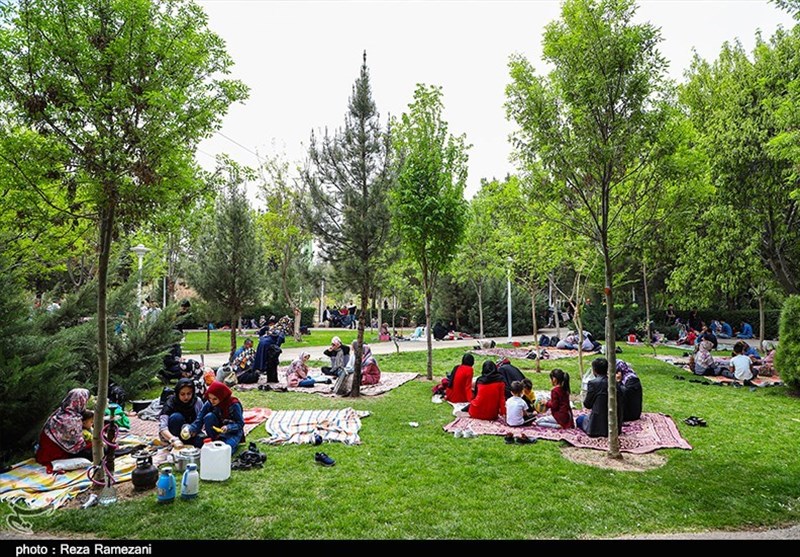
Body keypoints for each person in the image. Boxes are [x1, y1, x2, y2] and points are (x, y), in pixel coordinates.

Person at [35, 388, 93, 468]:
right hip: (54, 455)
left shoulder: (60, 412)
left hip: (43, 453)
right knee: (97, 451)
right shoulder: (71, 420)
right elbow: (77, 446)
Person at [185, 381, 245, 452]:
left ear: (222, 397)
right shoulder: (210, 402)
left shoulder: (234, 405)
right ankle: (214, 439)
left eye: (215, 399)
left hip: (232, 432)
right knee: (209, 417)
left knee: (224, 450)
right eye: (210, 398)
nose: (212, 401)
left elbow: (240, 423)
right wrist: (192, 429)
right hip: (218, 430)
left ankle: (232, 444)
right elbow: (200, 417)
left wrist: (228, 427)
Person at [576, 358, 623, 438]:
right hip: (615, 426)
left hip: (597, 427)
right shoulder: (615, 383)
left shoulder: (593, 384)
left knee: (580, 419)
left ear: (594, 370)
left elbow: (587, 404)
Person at [159, 378, 204, 448]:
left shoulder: (197, 402)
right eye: (182, 394)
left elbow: (201, 420)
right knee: (176, 417)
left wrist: (194, 430)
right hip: (174, 435)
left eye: (189, 394)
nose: (186, 397)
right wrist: (173, 439)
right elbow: (163, 428)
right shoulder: (170, 403)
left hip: (191, 432)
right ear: (177, 393)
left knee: (201, 441)